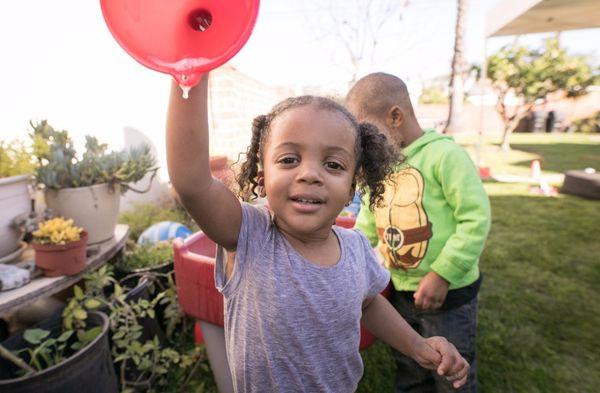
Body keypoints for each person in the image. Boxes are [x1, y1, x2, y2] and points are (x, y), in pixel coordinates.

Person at [166, 74, 470, 392]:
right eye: (288, 159)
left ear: (353, 185)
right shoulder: (248, 235)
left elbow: (368, 303)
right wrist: (191, 75)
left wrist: (416, 344)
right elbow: (192, 182)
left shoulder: (355, 246)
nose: (310, 174)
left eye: (333, 165)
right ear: (262, 174)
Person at [346, 72, 491, 393]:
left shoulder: (445, 155)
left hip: (448, 294)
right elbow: (367, 221)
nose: (363, 144)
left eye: (366, 131)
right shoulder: (380, 165)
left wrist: (442, 274)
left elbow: (475, 219)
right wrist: (347, 255)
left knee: (450, 369)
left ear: (395, 116)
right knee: (410, 362)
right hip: (400, 288)